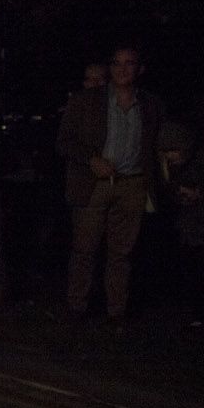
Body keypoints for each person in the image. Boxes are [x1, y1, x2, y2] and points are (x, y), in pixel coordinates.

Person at [57, 45, 165, 323]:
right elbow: (64, 141)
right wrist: (92, 159)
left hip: (132, 183)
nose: (122, 69)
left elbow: (158, 143)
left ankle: (116, 311)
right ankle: (76, 306)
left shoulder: (150, 104)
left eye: (129, 63)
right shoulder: (86, 101)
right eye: (117, 63)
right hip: (95, 183)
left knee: (122, 252)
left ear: (140, 69)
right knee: (85, 247)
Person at [158, 122, 204, 329]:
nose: (170, 156)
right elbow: (170, 193)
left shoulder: (202, 162)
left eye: (173, 150)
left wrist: (199, 194)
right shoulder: (170, 167)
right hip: (188, 229)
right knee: (192, 272)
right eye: (166, 151)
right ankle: (196, 313)